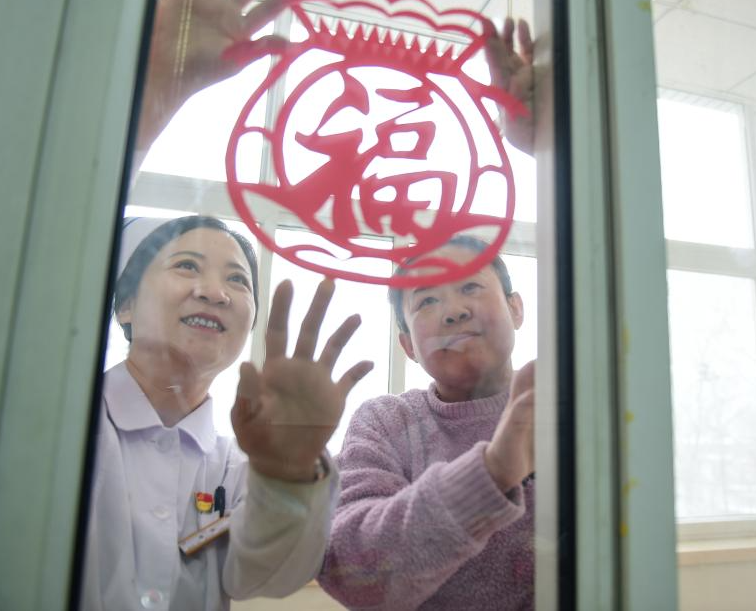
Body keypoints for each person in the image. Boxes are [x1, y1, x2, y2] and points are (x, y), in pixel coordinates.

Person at [81, 215, 373, 610]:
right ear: (126, 306)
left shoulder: (239, 467)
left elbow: (266, 577)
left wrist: (287, 474)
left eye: (237, 280)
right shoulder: (66, 423)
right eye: (187, 265)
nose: (216, 293)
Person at [317, 236, 536, 610]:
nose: (454, 311)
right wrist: (492, 472)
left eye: (470, 286)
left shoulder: (569, 402)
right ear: (408, 346)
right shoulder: (387, 423)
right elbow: (351, 571)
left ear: (515, 308)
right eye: (427, 301)